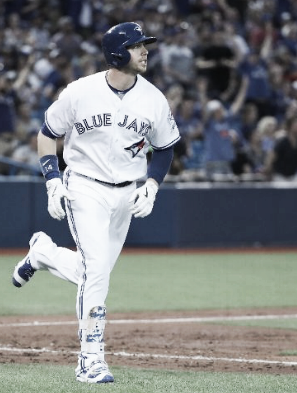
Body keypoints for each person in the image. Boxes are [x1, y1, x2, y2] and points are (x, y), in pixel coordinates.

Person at [10, 22, 180, 384]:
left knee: (94, 272)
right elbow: (46, 136)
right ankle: (90, 359)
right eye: (137, 46)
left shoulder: (153, 98)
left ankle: (42, 253)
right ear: (118, 53)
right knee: (98, 272)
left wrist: (152, 185)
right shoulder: (79, 92)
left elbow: (165, 148)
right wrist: (53, 183)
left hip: (126, 192)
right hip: (84, 187)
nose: (145, 51)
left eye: (145, 45)